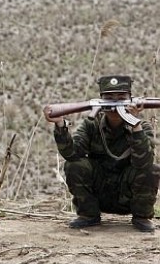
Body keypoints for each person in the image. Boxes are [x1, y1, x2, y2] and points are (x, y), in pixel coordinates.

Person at [43, 75, 159, 232]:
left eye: (121, 98)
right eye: (109, 98)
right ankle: (88, 215)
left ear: (130, 99)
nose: (115, 103)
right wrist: (60, 124)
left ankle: (141, 217)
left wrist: (134, 125)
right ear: (100, 100)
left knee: (152, 169)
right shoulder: (92, 124)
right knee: (74, 165)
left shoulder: (141, 126)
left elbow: (144, 163)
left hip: (128, 196)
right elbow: (71, 155)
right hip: (100, 193)